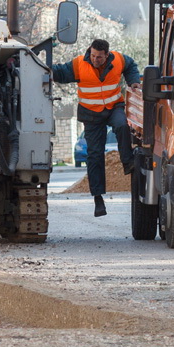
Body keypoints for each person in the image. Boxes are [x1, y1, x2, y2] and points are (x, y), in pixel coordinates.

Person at [52, 39, 141, 217]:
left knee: (122, 125)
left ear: (107, 55)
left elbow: (131, 65)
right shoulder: (79, 64)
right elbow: (61, 73)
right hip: (91, 115)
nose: (95, 59)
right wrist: (44, 68)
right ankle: (98, 200)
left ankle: (127, 162)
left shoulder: (118, 60)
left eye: (99, 57)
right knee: (94, 155)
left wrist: (133, 81)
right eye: (93, 55)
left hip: (113, 107)